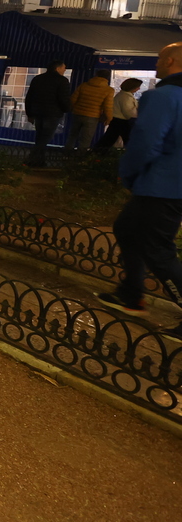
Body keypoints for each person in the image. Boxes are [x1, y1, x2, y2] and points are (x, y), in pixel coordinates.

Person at [96, 42, 182, 340]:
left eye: (159, 59)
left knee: (158, 250)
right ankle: (132, 294)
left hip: (163, 184)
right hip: (172, 184)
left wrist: (128, 174)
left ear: (170, 61)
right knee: (127, 228)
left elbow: (145, 142)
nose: (157, 64)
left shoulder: (162, 97)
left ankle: (135, 295)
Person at [24, 60, 71, 167]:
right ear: (57, 68)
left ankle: (39, 161)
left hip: (37, 112)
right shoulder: (62, 81)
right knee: (45, 138)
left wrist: (29, 113)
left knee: (40, 136)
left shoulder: (38, 79)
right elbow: (63, 99)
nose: (65, 70)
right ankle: (31, 159)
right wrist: (67, 109)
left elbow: (29, 97)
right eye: (64, 68)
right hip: (52, 114)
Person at [67, 69, 114, 151]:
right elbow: (108, 106)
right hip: (92, 116)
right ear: (108, 78)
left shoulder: (84, 85)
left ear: (96, 75)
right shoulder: (109, 90)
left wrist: (71, 109)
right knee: (85, 139)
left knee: (72, 135)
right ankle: (80, 159)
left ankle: (66, 154)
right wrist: (109, 118)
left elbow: (73, 99)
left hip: (77, 113)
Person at [97, 78, 142, 149]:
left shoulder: (123, 95)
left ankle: (97, 153)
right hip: (122, 121)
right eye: (138, 87)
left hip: (118, 120)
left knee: (109, 138)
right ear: (132, 87)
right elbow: (128, 112)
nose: (139, 88)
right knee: (126, 139)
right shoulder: (126, 97)